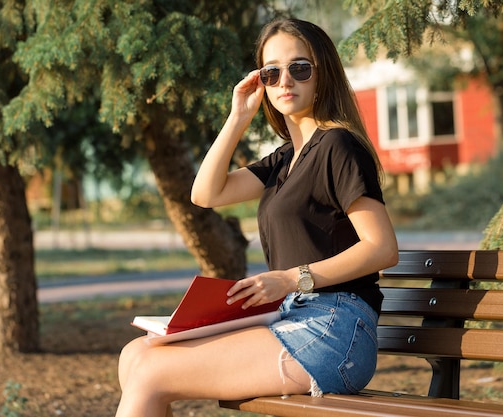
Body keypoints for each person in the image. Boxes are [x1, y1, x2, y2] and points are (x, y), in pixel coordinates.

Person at [114, 18, 398, 417]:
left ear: (323, 75)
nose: (286, 81)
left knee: (149, 374)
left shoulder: (338, 145)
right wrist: (238, 117)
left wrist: (289, 278)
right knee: (135, 355)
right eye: (272, 72)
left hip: (335, 327)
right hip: (292, 315)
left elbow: (382, 248)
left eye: (300, 68)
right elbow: (206, 193)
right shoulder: (286, 157)